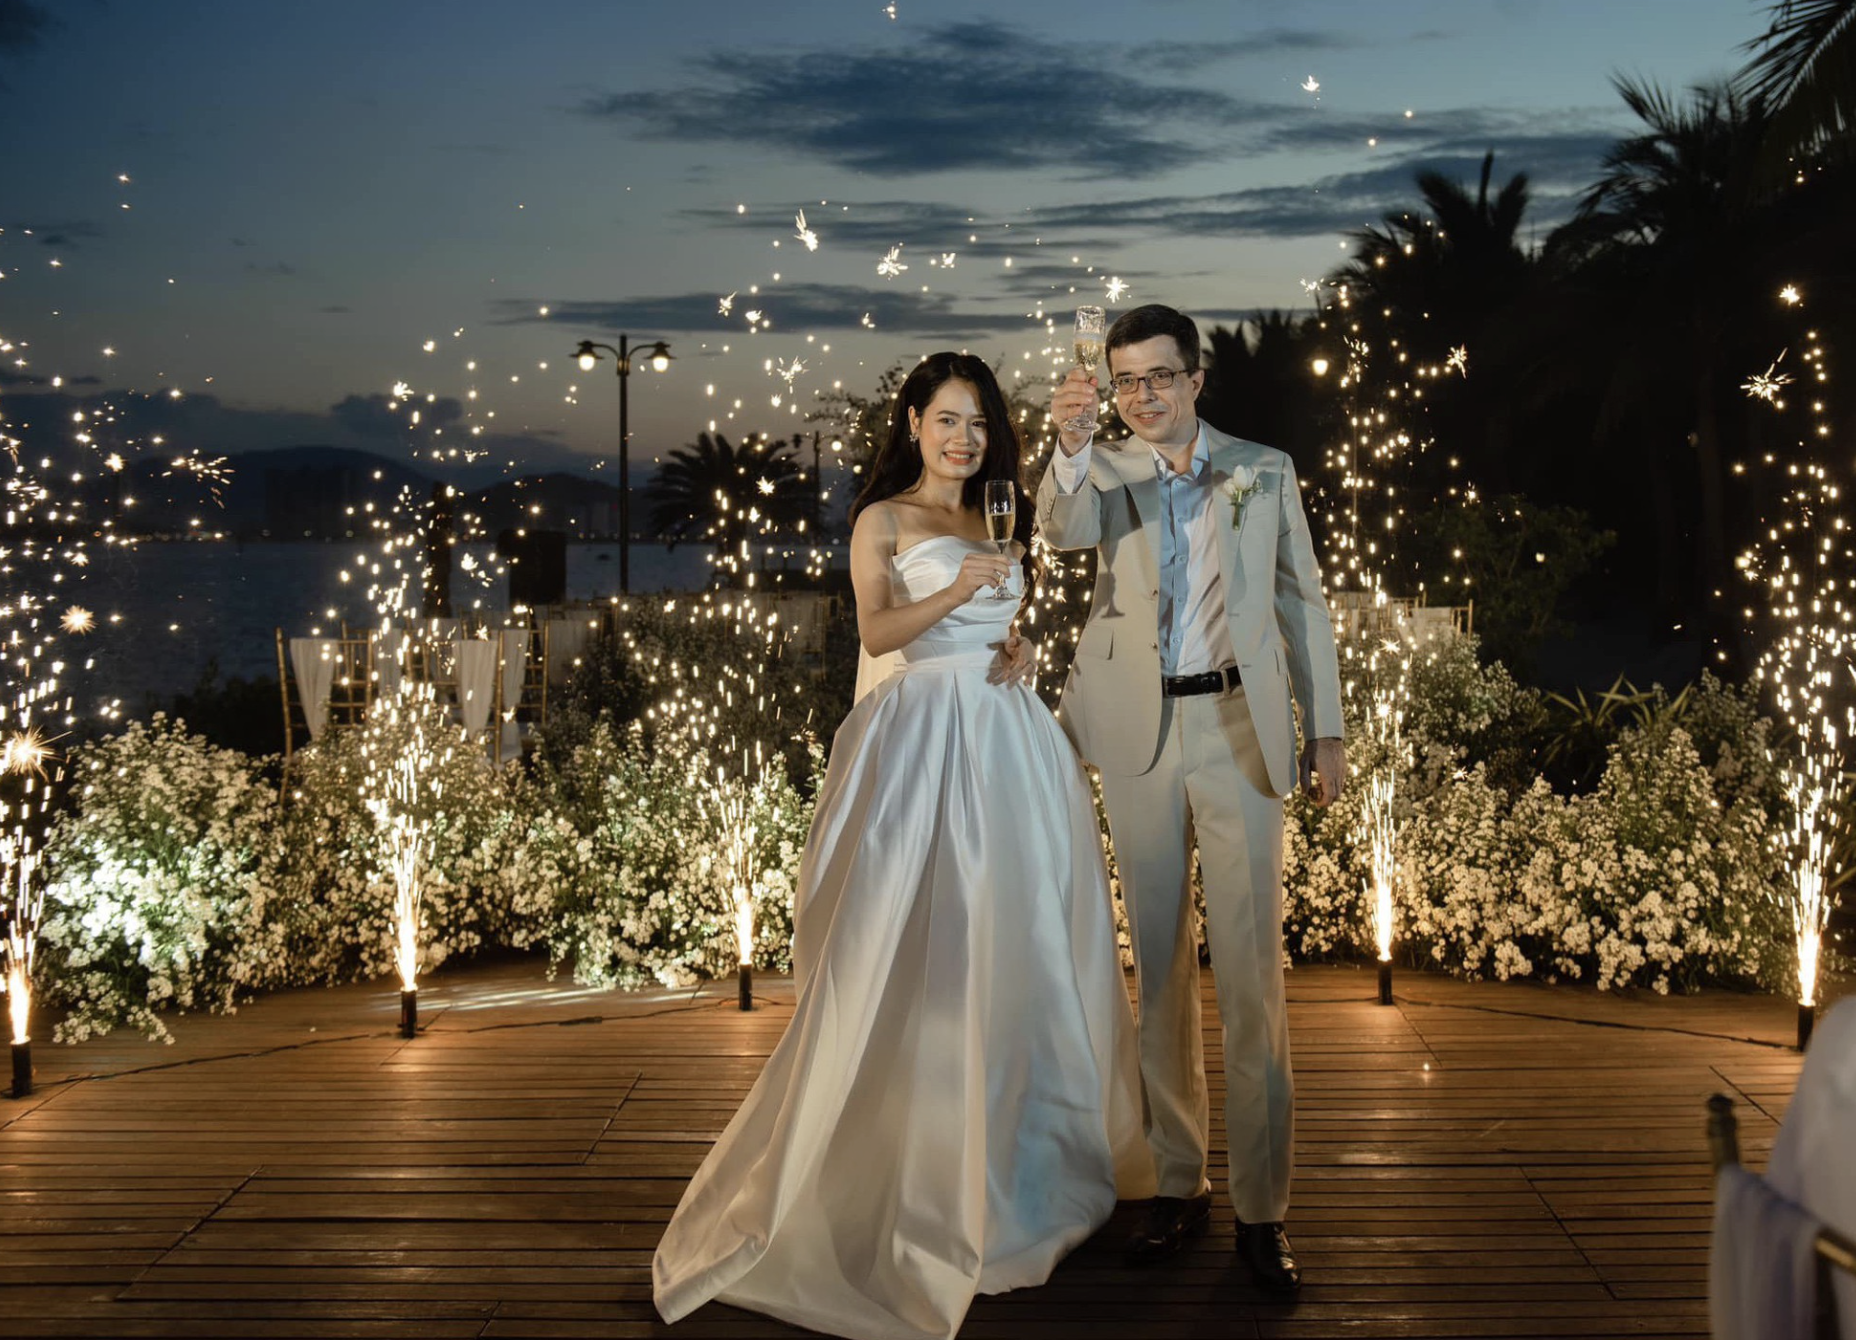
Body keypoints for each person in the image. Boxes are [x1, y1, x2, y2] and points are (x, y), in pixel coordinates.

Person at [653, 352, 1153, 1340]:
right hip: (922, 739)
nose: (964, 439)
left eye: (979, 423)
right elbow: (882, 630)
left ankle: (1018, 1164)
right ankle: (909, 1174)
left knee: (1019, 945)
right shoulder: (881, 519)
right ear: (914, 422)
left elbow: (1002, 628)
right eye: (947, 420)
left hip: (1009, 741)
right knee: (920, 946)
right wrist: (958, 588)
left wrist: (1016, 647)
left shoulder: (1002, 516)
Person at [1036, 303, 1346, 1293]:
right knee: (1159, 970)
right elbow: (1058, 531)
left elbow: (1301, 600)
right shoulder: (1102, 471)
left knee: (1252, 977)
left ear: (1194, 378)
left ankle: (1263, 1209)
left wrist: (1327, 728)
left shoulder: (1263, 469)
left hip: (1239, 729)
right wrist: (1069, 446)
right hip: (1139, 732)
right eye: (1125, 380)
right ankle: (1179, 1182)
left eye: (1159, 376)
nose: (1142, 395)